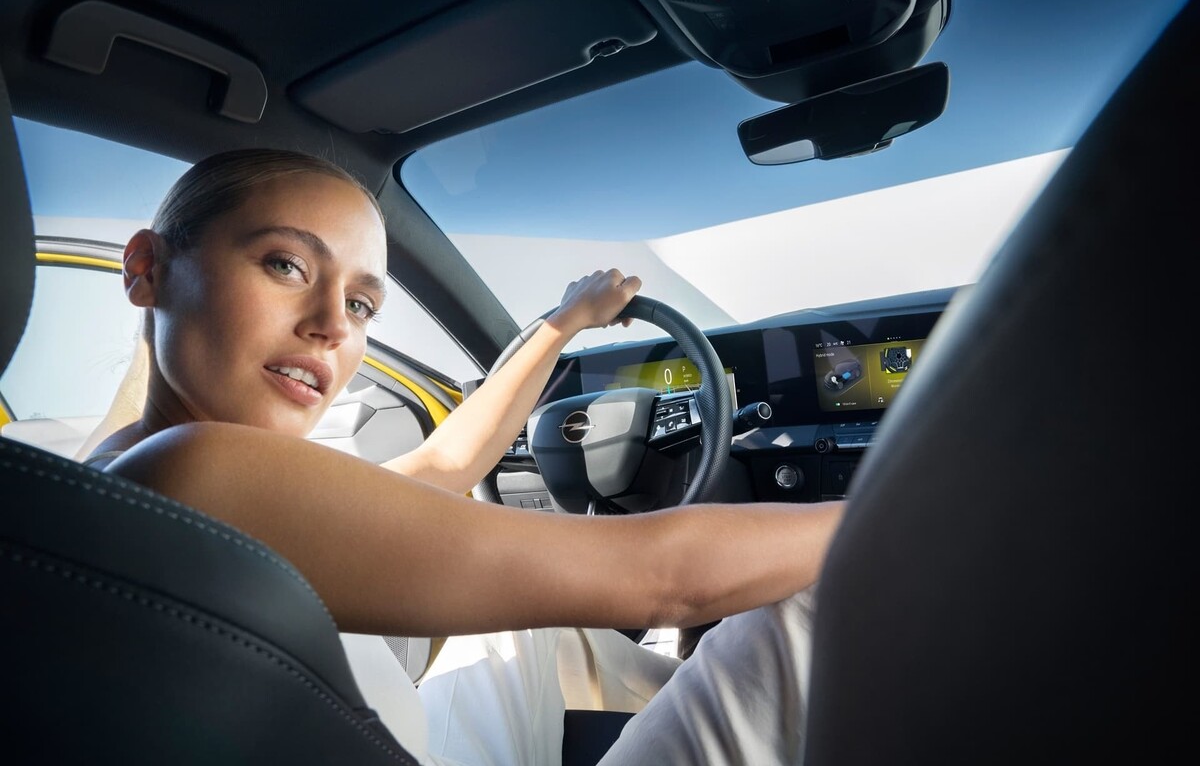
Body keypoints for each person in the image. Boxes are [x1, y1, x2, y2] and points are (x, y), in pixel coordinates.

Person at [83, 148, 846, 766]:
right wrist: (908, 504)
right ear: (147, 267)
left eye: (360, 305)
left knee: (518, 627)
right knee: (809, 605)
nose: (329, 326)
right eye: (286, 265)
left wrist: (565, 323)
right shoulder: (202, 470)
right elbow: (665, 583)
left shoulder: (116, 470)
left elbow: (445, 466)